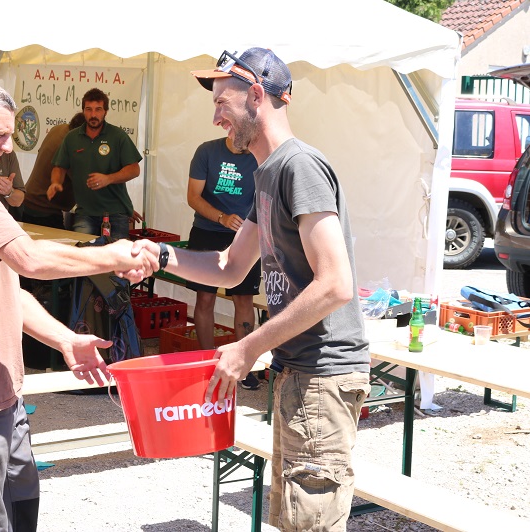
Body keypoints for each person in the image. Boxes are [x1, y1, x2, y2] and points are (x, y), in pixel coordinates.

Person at [134, 48, 371, 531]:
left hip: (322, 377)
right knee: (293, 522)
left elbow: (335, 284)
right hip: (298, 373)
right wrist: (157, 256)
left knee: (311, 525)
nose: (216, 116)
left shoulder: (298, 167)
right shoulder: (268, 174)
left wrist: (247, 347)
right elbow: (229, 266)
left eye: (222, 102)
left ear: (257, 95)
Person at [0, 79, 156, 531]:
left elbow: (6, 287)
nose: (8, 147)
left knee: (19, 513)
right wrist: (115, 256)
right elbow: (30, 259)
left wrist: (64, 338)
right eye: (0, 135)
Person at [187, 134, 262, 390]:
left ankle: (243, 366)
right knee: (205, 297)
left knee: (244, 299)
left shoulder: (260, 155)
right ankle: (208, 361)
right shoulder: (207, 151)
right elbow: (193, 197)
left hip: (246, 236)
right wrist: (222, 217)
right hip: (207, 232)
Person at [47, 88, 142, 240]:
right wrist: (55, 182)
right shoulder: (71, 138)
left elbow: (134, 169)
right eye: (89, 109)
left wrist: (108, 179)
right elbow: (59, 167)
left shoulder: (118, 136)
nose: (93, 115)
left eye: (98, 109)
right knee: (82, 251)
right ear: (83, 111)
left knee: (116, 254)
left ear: (105, 111)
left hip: (116, 213)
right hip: (85, 213)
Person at [22, 113, 85, 229]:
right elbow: (83, 182)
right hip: (44, 207)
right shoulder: (73, 146)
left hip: (30, 200)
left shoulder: (59, 129)